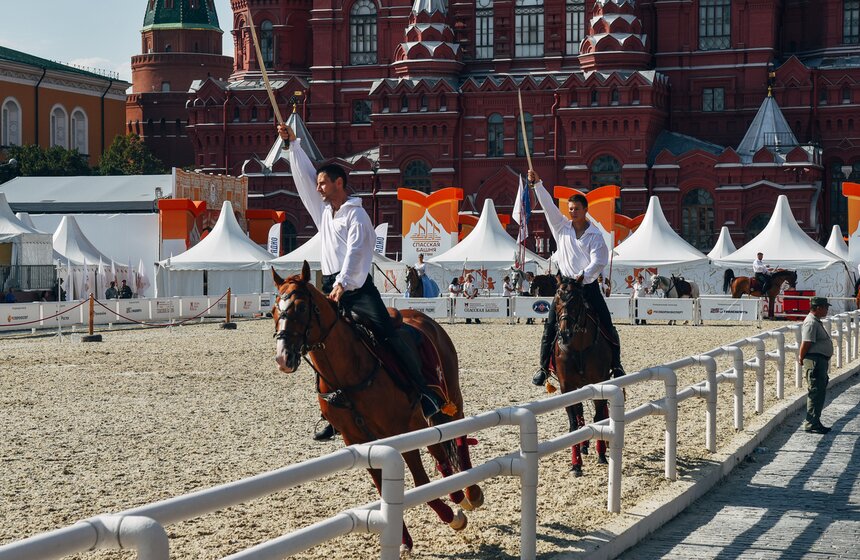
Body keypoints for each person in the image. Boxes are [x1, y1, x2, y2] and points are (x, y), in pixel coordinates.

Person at [278, 123, 443, 442]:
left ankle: (423, 392)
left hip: (357, 289)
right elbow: (302, 181)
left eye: (324, 183)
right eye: (319, 183)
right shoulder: (325, 213)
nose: (319, 188)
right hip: (329, 286)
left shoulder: (357, 215)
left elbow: (358, 251)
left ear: (339, 183)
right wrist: (293, 146)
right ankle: (331, 408)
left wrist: (343, 283)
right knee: (319, 345)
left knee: (388, 333)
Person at [529, 169, 624, 386]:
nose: (572, 212)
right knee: (550, 326)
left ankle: (616, 364)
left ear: (585, 210)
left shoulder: (595, 235)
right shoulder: (560, 227)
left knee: (607, 323)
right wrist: (538, 184)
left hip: (586, 287)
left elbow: (599, 261)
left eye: (576, 209)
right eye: (570, 209)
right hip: (564, 288)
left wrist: (583, 277)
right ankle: (543, 368)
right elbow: (547, 206)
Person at [798, 297, 833, 434]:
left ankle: (814, 421)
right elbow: (806, 343)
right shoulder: (811, 323)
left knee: (819, 391)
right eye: (825, 307)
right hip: (815, 361)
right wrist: (801, 358)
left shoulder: (815, 322)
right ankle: (811, 423)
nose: (827, 309)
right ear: (818, 308)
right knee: (816, 391)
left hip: (819, 361)